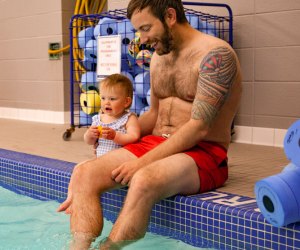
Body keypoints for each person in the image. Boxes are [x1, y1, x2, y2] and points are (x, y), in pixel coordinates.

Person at [57, 0, 242, 249]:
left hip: (203, 152)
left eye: (145, 28)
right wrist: (113, 134)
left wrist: (141, 163)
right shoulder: (159, 58)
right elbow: (154, 115)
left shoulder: (216, 56)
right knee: (84, 173)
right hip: (156, 142)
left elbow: (199, 127)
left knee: (143, 179)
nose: (142, 39)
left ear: (169, 16)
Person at [84, 73, 140, 158]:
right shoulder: (98, 119)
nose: (106, 102)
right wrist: (89, 135)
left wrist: (115, 136)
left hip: (119, 160)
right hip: (100, 160)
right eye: (103, 98)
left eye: (112, 99)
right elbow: (90, 142)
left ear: (126, 102)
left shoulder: (129, 118)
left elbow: (134, 137)